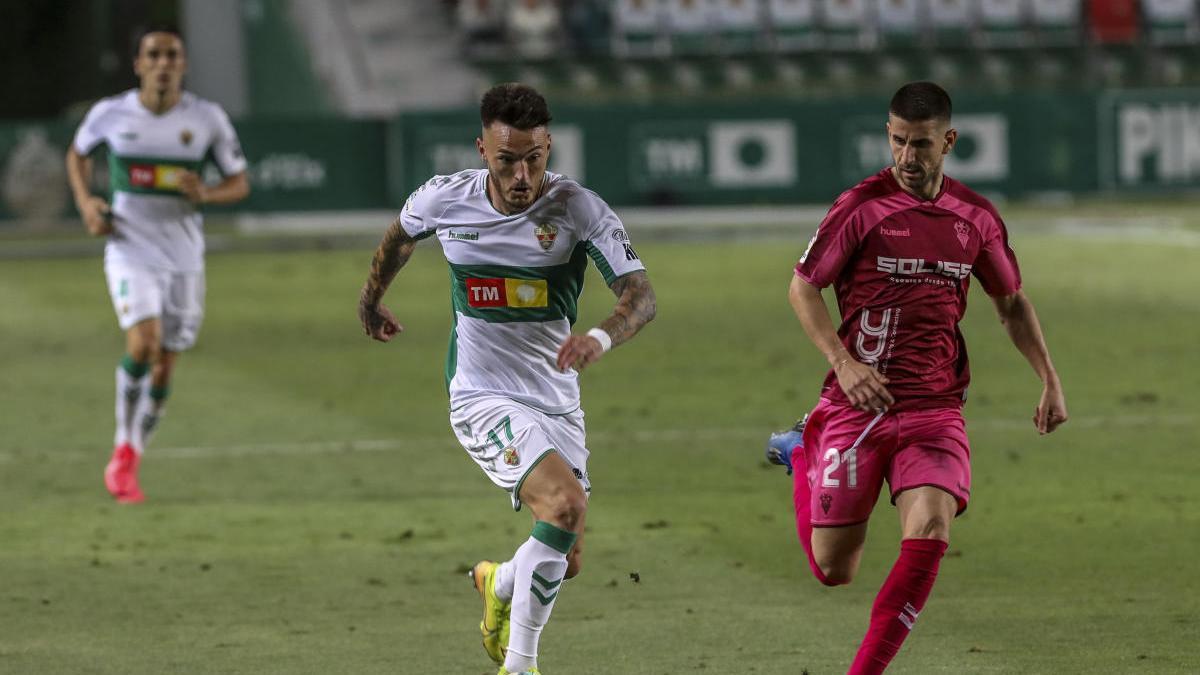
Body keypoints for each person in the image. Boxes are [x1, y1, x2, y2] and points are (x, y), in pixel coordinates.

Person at [768, 81, 1067, 674]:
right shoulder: (859, 207)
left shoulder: (974, 217)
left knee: (931, 526)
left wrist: (1049, 378)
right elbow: (803, 287)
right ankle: (804, 450)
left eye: (922, 144)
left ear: (948, 141)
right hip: (858, 404)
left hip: (935, 406)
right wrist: (843, 363)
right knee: (834, 569)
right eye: (899, 141)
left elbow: (1011, 303)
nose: (908, 157)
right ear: (889, 135)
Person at [358, 82, 655, 675]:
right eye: (507, 160)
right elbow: (398, 238)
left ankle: (497, 584)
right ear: (481, 151)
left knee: (563, 555)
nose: (523, 175)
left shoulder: (577, 208)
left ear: (549, 147)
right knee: (565, 506)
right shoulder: (446, 200)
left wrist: (598, 337)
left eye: (535, 158)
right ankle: (519, 667)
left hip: (556, 398)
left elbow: (640, 297)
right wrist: (371, 299)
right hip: (481, 393)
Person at [65, 25, 250, 503]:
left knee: (165, 367)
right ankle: (122, 452)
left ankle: (133, 453)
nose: (163, 63)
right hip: (130, 247)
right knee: (143, 344)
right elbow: (78, 155)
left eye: (172, 54)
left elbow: (239, 181)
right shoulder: (111, 114)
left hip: (184, 255)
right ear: (138, 64)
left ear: (183, 64)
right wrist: (88, 204)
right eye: (154, 55)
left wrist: (207, 192)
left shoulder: (206, 119)